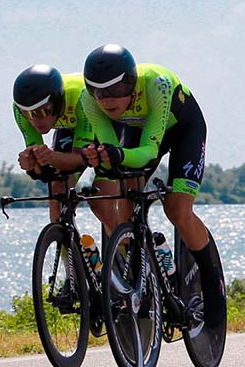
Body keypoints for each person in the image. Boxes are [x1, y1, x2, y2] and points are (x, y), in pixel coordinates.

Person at [77, 44, 226, 325]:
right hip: (136, 133)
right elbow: (112, 150)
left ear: (132, 84)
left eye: (116, 90)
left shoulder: (157, 84)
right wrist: (107, 156)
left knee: (178, 210)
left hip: (182, 130)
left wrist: (117, 154)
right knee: (115, 198)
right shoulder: (88, 100)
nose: (107, 100)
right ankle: (143, 269)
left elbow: (147, 151)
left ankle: (212, 283)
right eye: (100, 92)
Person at [11, 64, 123, 227]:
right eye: (28, 114)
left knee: (102, 200)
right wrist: (32, 164)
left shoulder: (80, 98)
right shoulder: (20, 109)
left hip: (105, 125)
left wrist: (50, 157)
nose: (35, 121)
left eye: (42, 112)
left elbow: (80, 159)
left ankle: (128, 247)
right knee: (57, 191)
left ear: (56, 103)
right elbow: (44, 169)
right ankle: (77, 250)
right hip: (71, 128)